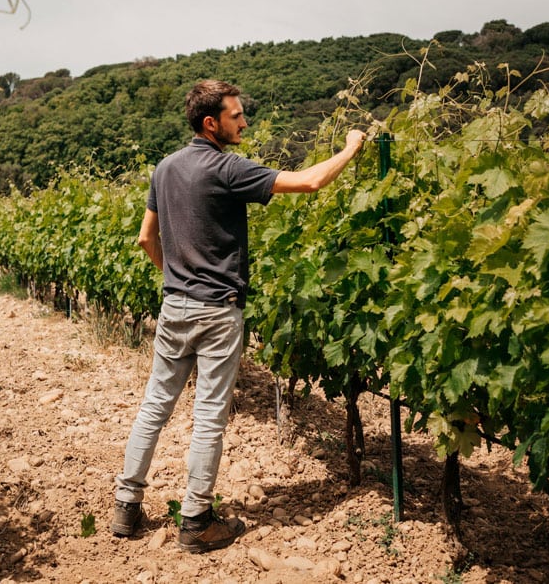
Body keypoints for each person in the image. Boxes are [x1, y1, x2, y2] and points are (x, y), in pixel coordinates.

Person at [112, 79, 366, 553]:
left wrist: (178, 279)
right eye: (237, 115)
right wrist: (351, 147)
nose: (244, 122)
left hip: (174, 307)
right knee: (209, 416)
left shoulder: (163, 170)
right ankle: (196, 522)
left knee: (154, 406)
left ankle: (126, 507)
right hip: (216, 311)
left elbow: (147, 240)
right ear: (212, 123)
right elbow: (309, 181)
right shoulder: (226, 168)